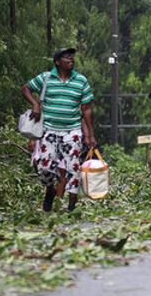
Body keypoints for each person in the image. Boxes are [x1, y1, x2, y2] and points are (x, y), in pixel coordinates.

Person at [21, 48, 96, 213]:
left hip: (72, 131)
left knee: (73, 167)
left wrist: (90, 134)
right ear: (57, 62)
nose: (71, 59)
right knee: (44, 167)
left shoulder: (81, 81)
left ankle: (72, 206)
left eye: (72, 56)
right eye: (66, 57)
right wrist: (35, 104)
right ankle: (50, 190)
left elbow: (87, 109)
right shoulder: (46, 78)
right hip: (49, 130)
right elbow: (25, 88)